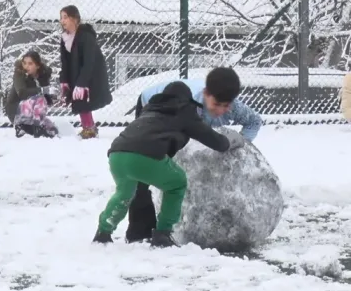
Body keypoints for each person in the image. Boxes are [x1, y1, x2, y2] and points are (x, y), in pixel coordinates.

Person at [93, 81, 245, 248]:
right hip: (146, 156)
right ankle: (163, 233)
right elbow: (217, 142)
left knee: (124, 193)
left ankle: (103, 232)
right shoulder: (184, 112)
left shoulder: (150, 109)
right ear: (186, 100)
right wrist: (233, 140)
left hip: (117, 155)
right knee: (177, 183)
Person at [124, 66, 263, 243]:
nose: (221, 110)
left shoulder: (234, 107)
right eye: (216, 104)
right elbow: (190, 138)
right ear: (205, 94)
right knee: (147, 165)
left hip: (183, 116)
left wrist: (242, 145)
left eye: (226, 106)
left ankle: (164, 226)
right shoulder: (188, 106)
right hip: (152, 104)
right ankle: (140, 233)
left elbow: (254, 121)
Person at [59, 5, 113, 139]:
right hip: (76, 73)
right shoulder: (66, 38)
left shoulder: (86, 36)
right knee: (79, 99)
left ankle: (89, 128)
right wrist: (64, 80)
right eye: (61, 18)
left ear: (75, 18)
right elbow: (64, 62)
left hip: (92, 74)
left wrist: (82, 83)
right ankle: (88, 126)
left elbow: (90, 61)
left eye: (65, 17)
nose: (62, 21)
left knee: (83, 98)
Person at [5, 51, 57, 138]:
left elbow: (46, 99)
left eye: (30, 64)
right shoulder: (19, 73)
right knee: (40, 99)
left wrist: (53, 95)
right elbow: (22, 93)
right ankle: (37, 129)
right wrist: (43, 90)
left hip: (32, 112)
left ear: (38, 66)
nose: (26, 66)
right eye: (24, 63)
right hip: (16, 110)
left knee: (52, 129)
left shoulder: (42, 76)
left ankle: (24, 128)